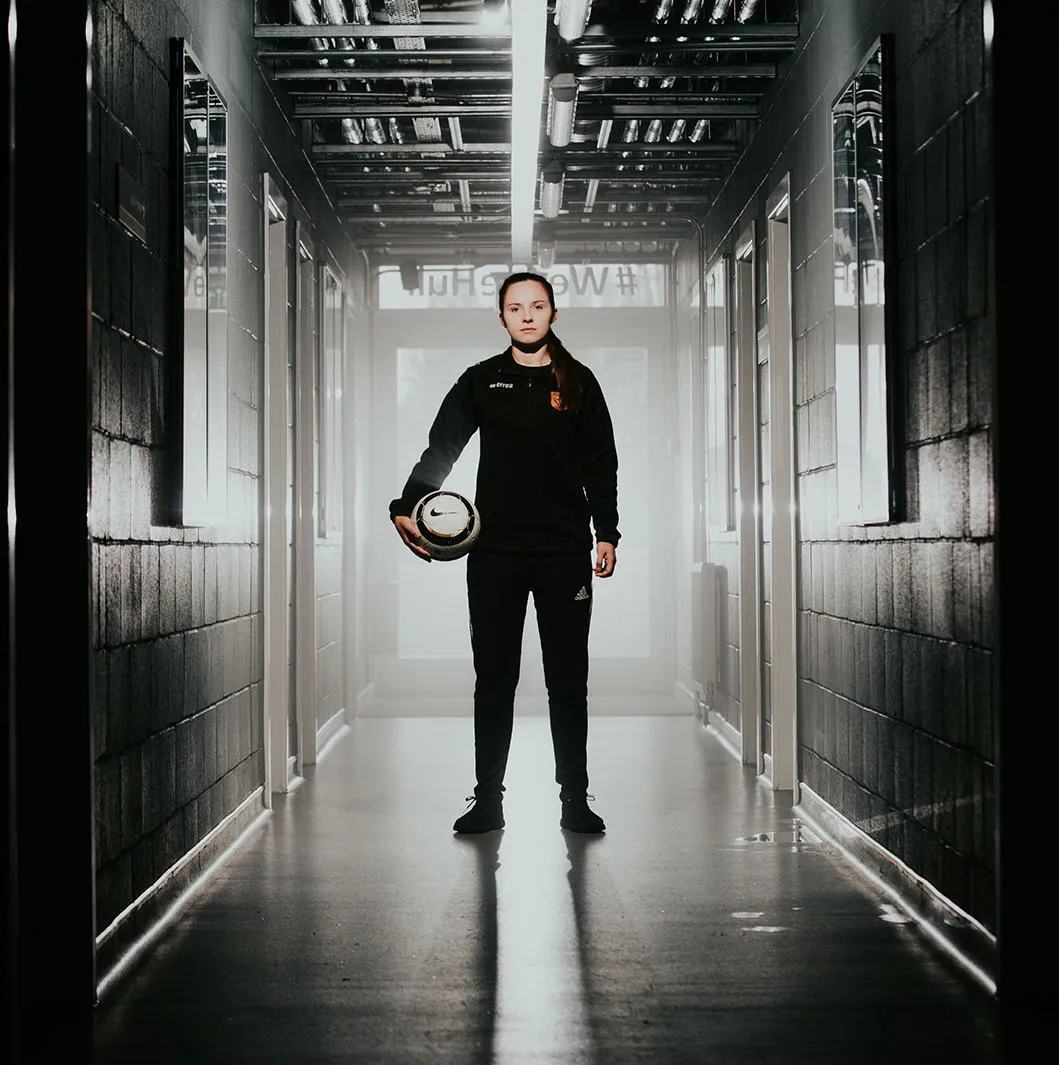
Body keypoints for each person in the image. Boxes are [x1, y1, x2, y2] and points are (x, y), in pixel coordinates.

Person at [389, 272, 620, 835]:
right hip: (494, 555)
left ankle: (574, 800)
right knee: (494, 680)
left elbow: (601, 466)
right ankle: (487, 800)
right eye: (515, 307)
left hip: (563, 553)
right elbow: (441, 447)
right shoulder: (481, 381)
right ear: (502, 318)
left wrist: (607, 532)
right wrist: (409, 503)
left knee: (568, 680)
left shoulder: (580, 383)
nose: (526, 315)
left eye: (537, 306)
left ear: (552, 314)